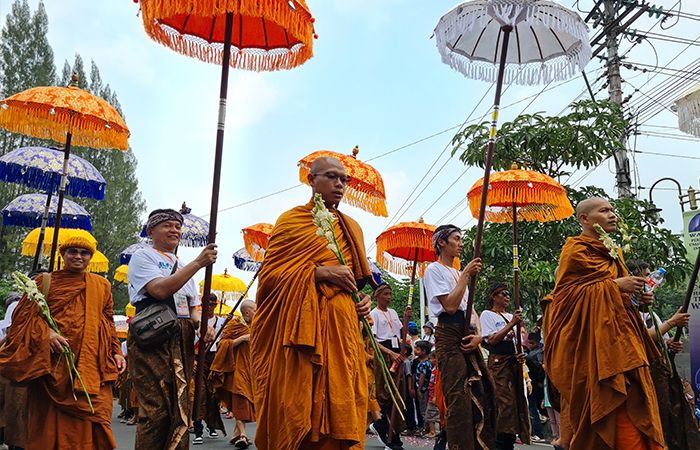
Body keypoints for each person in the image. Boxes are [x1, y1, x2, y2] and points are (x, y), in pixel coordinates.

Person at [250, 156, 374, 450]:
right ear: (311, 179)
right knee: (300, 404)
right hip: (302, 331)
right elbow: (268, 281)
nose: (340, 184)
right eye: (332, 177)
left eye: (344, 179)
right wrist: (318, 273)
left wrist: (363, 301)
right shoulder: (291, 221)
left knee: (341, 400)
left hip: (342, 326)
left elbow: (354, 283)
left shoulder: (352, 228)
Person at [543, 197, 665, 449]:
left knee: (638, 404)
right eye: (604, 210)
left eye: (612, 210)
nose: (612, 215)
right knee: (612, 410)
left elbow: (619, 301)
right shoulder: (575, 251)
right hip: (596, 349)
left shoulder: (614, 251)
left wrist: (638, 297)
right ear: (584, 219)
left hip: (623, 343)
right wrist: (614, 286)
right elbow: (564, 299)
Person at [0, 236, 126, 449]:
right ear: (63, 255)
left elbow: (107, 321)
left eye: (84, 253)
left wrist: (116, 352)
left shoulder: (101, 285)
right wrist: (46, 333)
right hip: (54, 366)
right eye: (72, 251)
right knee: (49, 425)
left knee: (95, 419)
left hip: (90, 366)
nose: (78, 256)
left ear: (90, 258)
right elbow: (22, 320)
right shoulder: (44, 282)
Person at [127, 208, 217, 450]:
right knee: (156, 409)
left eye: (177, 226)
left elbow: (192, 306)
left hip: (183, 338)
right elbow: (159, 290)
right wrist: (199, 263)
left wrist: (201, 326)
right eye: (167, 225)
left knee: (180, 408)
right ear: (151, 231)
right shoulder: (142, 256)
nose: (174, 230)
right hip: (154, 338)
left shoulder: (183, 264)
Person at [423, 224, 496, 450]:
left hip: (468, 334)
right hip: (449, 333)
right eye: (456, 238)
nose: (462, 243)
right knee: (458, 397)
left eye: (461, 238)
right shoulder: (433, 270)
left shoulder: (456, 272)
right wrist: (466, 274)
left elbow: (470, 309)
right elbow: (451, 306)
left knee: (483, 389)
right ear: (442, 243)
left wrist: (479, 336)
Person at [480, 283, 531, 449]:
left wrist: (520, 355)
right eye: (504, 293)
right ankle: (500, 441)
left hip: (513, 364)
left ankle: (510, 439)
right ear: (494, 296)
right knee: (503, 403)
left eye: (509, 294)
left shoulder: (511, 315)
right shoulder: (487, 315)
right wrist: (512, 324)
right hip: (498, 364)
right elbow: (492, 340)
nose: (508, 296)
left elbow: (517, 342)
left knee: (516, 402)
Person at [209, 299, 257, 449]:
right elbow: (221, 345)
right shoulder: (234, 326)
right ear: (247, 313)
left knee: (247, 403)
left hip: (251, 371)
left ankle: (236, 433)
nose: (258, 313)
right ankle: (242, 435)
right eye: (255, 311)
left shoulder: (255, 326)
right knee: (240, 401)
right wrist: (242, 339)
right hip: (236, 370)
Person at [368, 283, 410, 449]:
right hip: (383, 355)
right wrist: (389, 353)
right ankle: (382, 426)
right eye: (385, 294)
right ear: (377, 295)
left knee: (397, 394)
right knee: (385, 394)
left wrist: (406, 319)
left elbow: (401, 333)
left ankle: (392, 434)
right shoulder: (374, 313)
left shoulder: (392, 313)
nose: (389, 297)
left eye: (390, 294)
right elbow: (374, 340)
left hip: (396, 353)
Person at [192, 294, 227, 445]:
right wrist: (191, 360)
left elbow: (225, 341)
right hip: (198, 358)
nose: (210, 307)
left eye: (213, 304)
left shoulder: (222, 321)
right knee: (199, 394)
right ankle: (198, 428)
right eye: (207, 304)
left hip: (215, 359)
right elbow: (188, 341)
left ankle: (212, 426)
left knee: (213, 394)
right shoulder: (196, 321)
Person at [414, 340, 433, 437]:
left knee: (424, 409)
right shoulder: (425, 362)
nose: (415, 351)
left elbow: (422, 376)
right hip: (425, 389)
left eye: (417, 349)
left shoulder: (424, 364)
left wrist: (419, 389)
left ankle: (427, 429)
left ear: (424, 351)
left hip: (424, 390)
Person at [423, 351, 439, 439]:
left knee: (431, 414)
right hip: (431, 394)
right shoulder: (434, 369)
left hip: (434, 395)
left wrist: (435, 396)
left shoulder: (437, 370)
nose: (430, 360)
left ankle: (433, 432)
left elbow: (437, 384)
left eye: (432, 358)